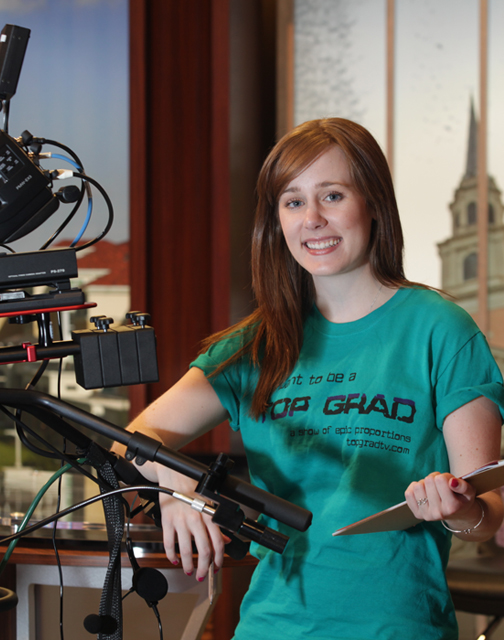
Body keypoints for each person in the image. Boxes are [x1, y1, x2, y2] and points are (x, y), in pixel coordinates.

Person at [116, 118, 504, 639]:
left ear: (373, 203)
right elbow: (129, 444)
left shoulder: (438, 328)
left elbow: (489, 516)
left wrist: (456, 509)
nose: (313, 219)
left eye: (333, 195)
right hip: (271, 624)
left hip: (397, 626)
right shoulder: (258, 343)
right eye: (293, 202)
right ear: (277, 221)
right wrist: (175, 486)